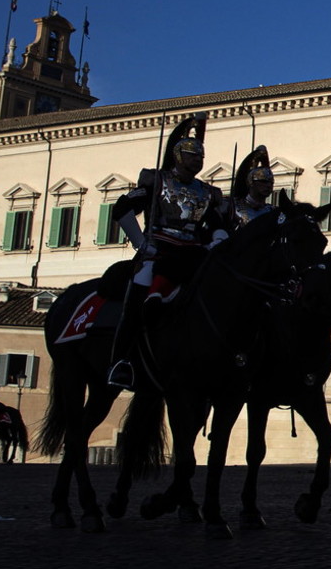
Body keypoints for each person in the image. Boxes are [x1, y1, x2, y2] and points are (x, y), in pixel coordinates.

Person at [106, 113, 228, 390]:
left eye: (201, 157)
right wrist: (140, 243)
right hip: (158, 249)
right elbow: (122, 210)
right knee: (137, 295)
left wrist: (218, 239)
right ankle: (121, 360)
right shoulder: (157, 182)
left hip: (194, 251)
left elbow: (217, 223)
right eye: (192, 155)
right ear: (177, 156)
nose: (198, 160)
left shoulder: (208, 192)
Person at [226, 145, 276, 230]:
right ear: (251, 182)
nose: (268, 185)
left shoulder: (273, 211)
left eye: (271, 183)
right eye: (263, 182)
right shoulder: (233, 206)